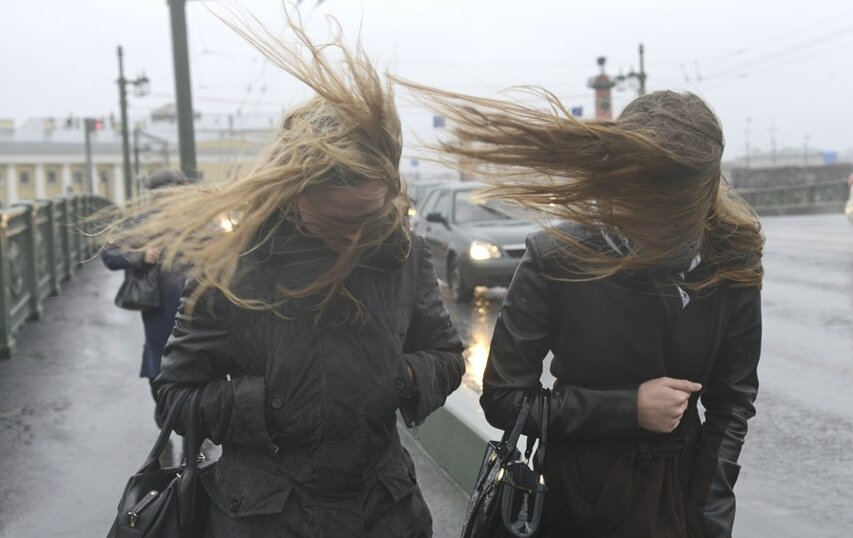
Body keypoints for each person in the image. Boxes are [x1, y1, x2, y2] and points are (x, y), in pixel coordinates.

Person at [105, 16, 464, 538]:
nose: (354, 238)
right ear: (293, 197)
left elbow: (447, 356)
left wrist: (400, 379)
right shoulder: (231, 265)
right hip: (264, 518)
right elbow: (174, 395)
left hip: (385, 513)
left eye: (369, 218)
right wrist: (267, 403)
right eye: (335, 221)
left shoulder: (404, 255)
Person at [397, 84, 763, 537]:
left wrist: (709, 517)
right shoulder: (557, 255)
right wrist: (627, 409)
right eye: (644, 194)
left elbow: (732, 403)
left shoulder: (732, 260)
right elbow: (503, 398)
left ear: (701, 193)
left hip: (682, 503)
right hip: (576, 505)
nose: (654, 219)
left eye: (670, 205)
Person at [101, 168, 192, 426]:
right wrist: (142, 256)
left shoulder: (198, 220)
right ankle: (166, 415)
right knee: (161, 360)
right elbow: (109, 254)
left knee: (200, 360)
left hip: (198, 303)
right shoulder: (143, 223)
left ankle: (194, 428)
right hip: (160, 307)